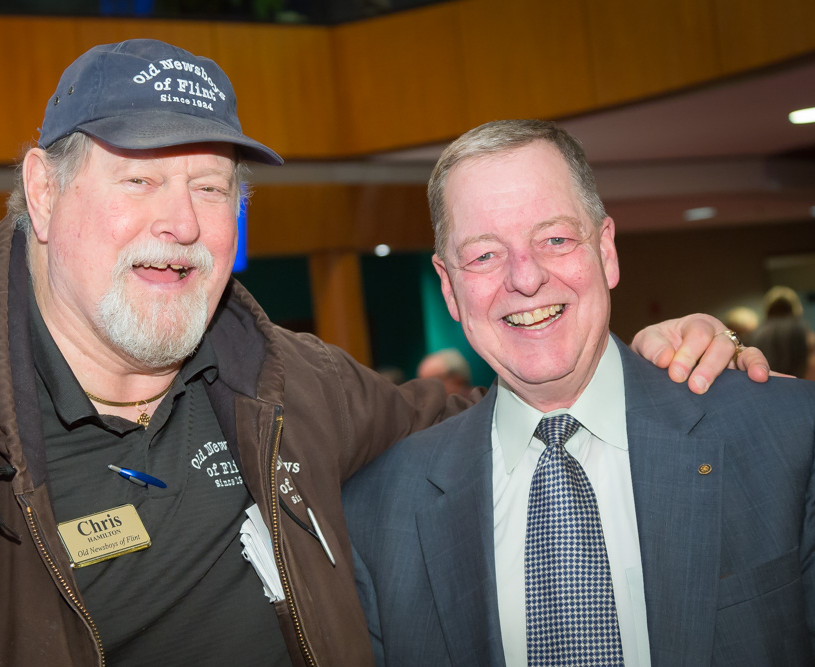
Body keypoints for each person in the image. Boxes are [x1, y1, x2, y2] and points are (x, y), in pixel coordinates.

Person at [0, 42, 766, 666]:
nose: (181, 222)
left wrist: (649, 366)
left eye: (210, 186)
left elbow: (482, 431)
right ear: (45, 191)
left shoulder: (291, 385)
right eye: (139, 179)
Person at [343, 119, 815, 667]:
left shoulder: (787, 436)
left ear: (606, 251)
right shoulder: (379, 514)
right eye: (484, 255)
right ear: (449, 286)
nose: (526, 279)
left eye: (555, 239)